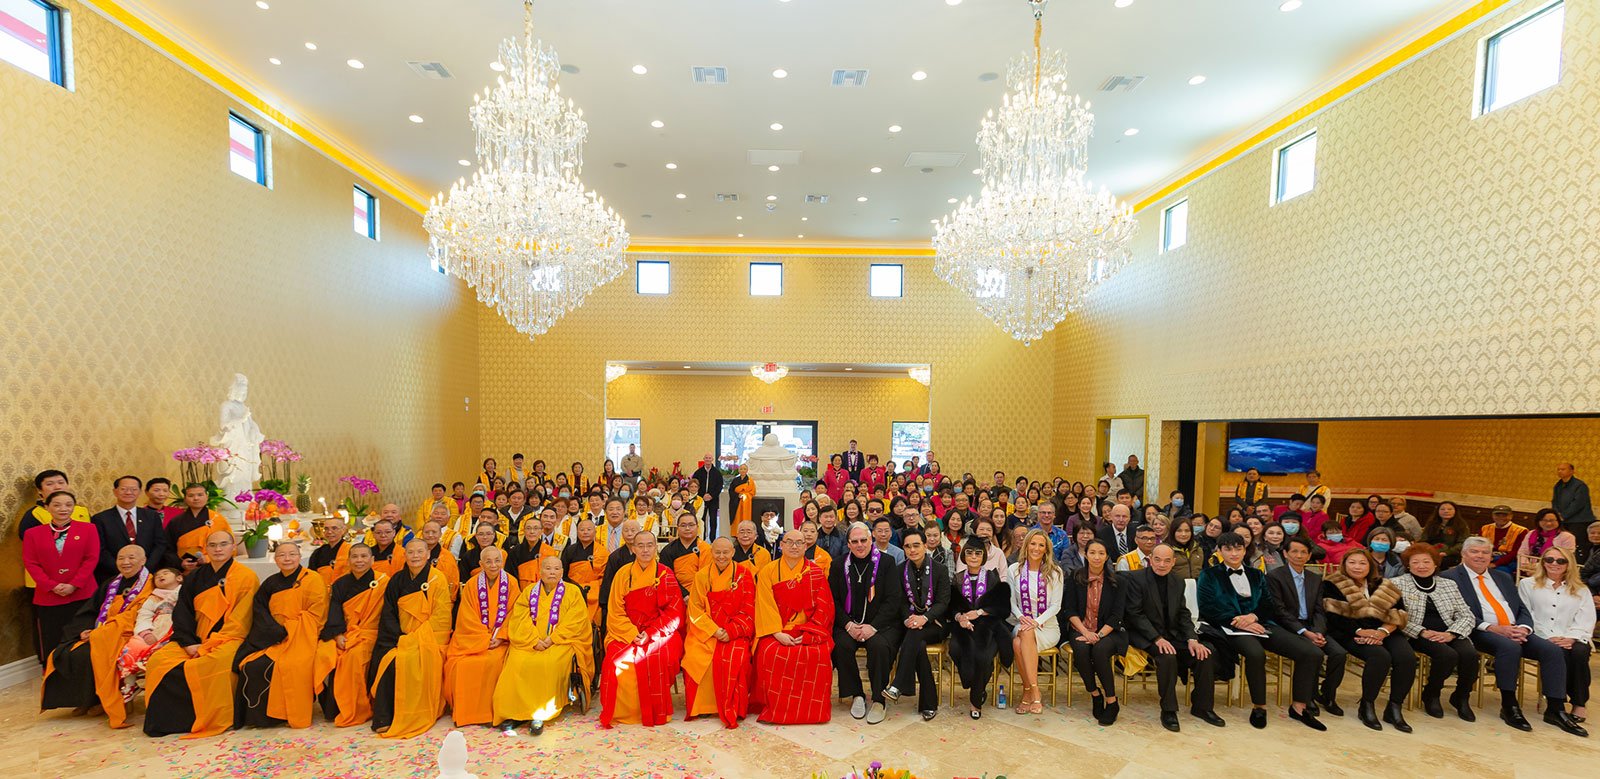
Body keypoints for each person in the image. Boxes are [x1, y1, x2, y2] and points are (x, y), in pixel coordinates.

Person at [1443, 536, 1585, 736]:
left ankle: (1556, 708)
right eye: (1474, 551)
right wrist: (1494, 628)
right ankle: (1509, 705)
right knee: (1509, 648)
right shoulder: (1449, 578)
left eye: (1485, 552)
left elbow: (1521, 608)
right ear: (1463, 554)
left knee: (1552, 650)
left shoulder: (1501, 577)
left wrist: (1524, 628)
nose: (1480, 556)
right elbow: (1452, 613)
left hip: (1515, 629)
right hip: (1479, 630)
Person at [1197, 532, 1326, 730]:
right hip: (1229, 627)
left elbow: (1268, 604)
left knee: (1311, 652)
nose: (1233, 553)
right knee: (1256, 654)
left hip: (1261, 624)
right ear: (1220, 551)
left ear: (1244, 550)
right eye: (1228, 549)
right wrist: (1242, 622)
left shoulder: (1257, 574)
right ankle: (1259, 706)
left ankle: (1300, 706)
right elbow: (1208, 607)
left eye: (1238, 548)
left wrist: (1253, 617)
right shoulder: (1209, 575)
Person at [143, 531, 259, 738]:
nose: (218, 549)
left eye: (223, 544)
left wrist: (211, 644)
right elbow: (182, 612)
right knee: (158, 660)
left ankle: (213, 718)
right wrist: (188, 643)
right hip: (195, 638)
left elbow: (242, 619)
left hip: (229, 638)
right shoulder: (195, 577)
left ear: (233, 547)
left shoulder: (246, 577)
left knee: (213, 663)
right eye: (213, 545)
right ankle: (167, 721)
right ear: (205, 549)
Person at [40, 544, 155, 725]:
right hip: (101, 631)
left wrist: (99, 632)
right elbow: (91, 610)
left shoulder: (152, 584)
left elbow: (136, 616)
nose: (125, 562)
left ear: (143, 561)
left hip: (124, 633)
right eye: (121, 558)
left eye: (131, 558)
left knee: (89, 654)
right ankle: (83, 700)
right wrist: (82, 630)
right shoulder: (110, 583)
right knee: (66, 652)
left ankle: (101, 700)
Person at [1125, 543, 1222, 731]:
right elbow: (1134, 614)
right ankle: (1168, 710)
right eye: (1158, 559)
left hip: (1173, 634)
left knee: (1204, 653)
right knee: (1167, 657)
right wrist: (1157, 638)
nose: (1162, 564)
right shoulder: (1136, 579)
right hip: (1146, 635)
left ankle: (1202, 707)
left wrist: (1192, 639)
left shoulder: (1178, 581)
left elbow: (1183, 614)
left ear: (1173, 562)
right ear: (1150, 560)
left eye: (1167, 560)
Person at [494, 557, 593, 735]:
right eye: (548, 568)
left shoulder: (572, 592)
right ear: (541, 571)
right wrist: (533, 640)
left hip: (561, 642)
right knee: (516, 662)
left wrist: (551, 639)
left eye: (556, 569)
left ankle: (539, 713)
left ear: (562, 572)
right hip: (530, 642)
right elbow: (519, 618)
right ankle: (515, 713)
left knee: (548, 664)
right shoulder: (529, 591)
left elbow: (576, 621)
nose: (552, 572)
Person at [234, 540, 327, 729]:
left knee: (290, 665)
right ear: (275, 559)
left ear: (300, 557)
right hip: (274, 637)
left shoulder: (313, 579)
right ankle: (260, 718)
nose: (287, 559)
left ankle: (285, 714)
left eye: (292, 554)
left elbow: (316, 613)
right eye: (282, 555)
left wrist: (289, 630)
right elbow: (259, 610)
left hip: (301, 636)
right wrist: (276, 632)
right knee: (251, 665)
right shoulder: (271, 582)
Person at [1320, 548, 1413, 732]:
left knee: (1406, 658)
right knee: (1380, 656)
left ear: (1371, 565)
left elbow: (1399, 613)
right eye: (1352, 562)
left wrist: (1382, 631)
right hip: (1350, 632)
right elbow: (1333, 617)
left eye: (1362, 563)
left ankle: (1394, 707)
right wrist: (1362, 631)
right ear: (1344, 564)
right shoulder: (1333, 583)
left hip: (1385, 631)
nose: (1357, 566)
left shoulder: (1384, 584)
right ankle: (1367, 705)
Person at [369, 539, 453, 739]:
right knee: (386, 661)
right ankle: (385, 716)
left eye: (419, 552)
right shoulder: (397, 580)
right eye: (411, 552)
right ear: (404, 556)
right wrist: (401, 637)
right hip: (400, 637)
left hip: (429, 638)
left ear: (428, 555)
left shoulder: (437, 579)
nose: (415, 556)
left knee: (405, 660)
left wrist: (417, 638)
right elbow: (388, 613)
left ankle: (414, 713)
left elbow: (441, 617)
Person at [600, 531, 685, 728]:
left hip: (660, 632)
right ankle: (624, 713)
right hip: (626, 631)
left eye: (650, 545)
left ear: (656, 548)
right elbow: (615, 611)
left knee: (658, 658)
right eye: (641, 546)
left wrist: (650, 633)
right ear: (633, 548)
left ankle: (654, 711)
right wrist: (632, 633)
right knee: (615, 662)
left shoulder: (665, 573)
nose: (645, 550)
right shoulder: (623, 574)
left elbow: (674, 612)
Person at [750, 529, 835, 724]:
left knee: (818, 654)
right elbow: (764, 604)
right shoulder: (768, 571)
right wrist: (777, 633)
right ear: (781, 545)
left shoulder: (815, 573)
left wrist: (808, 633)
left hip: (808, 629)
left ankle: (813, 712)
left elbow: (825, 607)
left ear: (806, 546)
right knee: (769, 653)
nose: (794, 546)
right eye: (789, 542)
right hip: (777, 630)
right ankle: (776, 709)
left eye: (799, 542)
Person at [1389, 543, 1479, 721]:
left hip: (1449, 630)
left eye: (1426, 562)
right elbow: (1394, 616)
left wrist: (1452, 633)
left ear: (1435, 564)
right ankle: (1432, 693)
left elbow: (1467, 615)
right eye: (1415, 562)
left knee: (1469, 655)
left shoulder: (1449, 584)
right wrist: (1422, 631)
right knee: (1446, 655)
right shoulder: (1397, 583)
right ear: (1408, 565)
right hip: (1416, 633)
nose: (1421, 566)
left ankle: (1461, 697)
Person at [830, 521, 903, 725]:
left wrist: (873, 626)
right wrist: (848, 625)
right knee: (841, 645)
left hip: (881, 624)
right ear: (849, 544)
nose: (860, 545)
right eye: (855, 541)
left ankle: (879, 699)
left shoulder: (887, 563)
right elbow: (833, 600)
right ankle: (857, 695)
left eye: (864, 540)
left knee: (879, 646)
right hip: (849, 624)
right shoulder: (838, 564)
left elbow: (893, 599)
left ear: (871, 540)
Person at [1265, 537, 1347, 715]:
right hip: (1286, 626)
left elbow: (1319, 609)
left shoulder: (1315, 578)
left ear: (1309, 555)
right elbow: (1279, 611)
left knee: (1339, 653)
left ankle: (1327, 695)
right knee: (1313, 653)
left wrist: (1317, 631)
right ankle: (1307, 696)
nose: (1299, 555)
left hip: (1312, 626)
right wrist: (1305, 632)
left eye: (1303, 552)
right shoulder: (1274, 576)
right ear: (1285, 554)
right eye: (1294, 551)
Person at [682, 537, 756, 728]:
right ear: (711, 553)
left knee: (737, 659)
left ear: (733, 552)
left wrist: (730, 631)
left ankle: (734, 706)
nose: (721, 556)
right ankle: (703, 706)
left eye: (726, 552)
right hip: (706, 630)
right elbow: (695, 610)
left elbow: (749, 608)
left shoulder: (744, 574)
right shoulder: (701, 576)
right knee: (695, 656)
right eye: (717, 552)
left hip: (735, 631)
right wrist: (714, 631)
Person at [443, 545, 518, 727]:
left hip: (502, 640)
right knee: (463, 665)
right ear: (480, 563)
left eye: (497, 561)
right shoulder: (471, 584)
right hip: (474, 639)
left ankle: (493, 712)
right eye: (488, 561)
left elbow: (515, 613)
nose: (493, 565)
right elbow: (466, 617)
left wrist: (500, 636)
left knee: (495, 662)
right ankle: (469, 713)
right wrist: (484, 639)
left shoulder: (512, 583)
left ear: (503, 562)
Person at [1517, 546, 1593, 725]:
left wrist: (1571, 637)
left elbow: (1586, 617)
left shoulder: (1581, 589)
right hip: (1540, 636)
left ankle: (1579, 703)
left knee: (1580, 652)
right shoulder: (1527, 584)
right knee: (1557, 652)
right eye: (1549, 559)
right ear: (1543, 562)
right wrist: (1548, 637)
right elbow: (1527, 614)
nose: (1554, 564)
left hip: (1572, 636)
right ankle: (1557, 703)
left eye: (1561, 561)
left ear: (1569, 564)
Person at [23, 490, 100, 665]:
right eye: (56, 505)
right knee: (52, 637)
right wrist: (51, 585)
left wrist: (74, 584)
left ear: (74, 507)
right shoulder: (33, 533)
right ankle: (53, 674)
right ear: (46, 507)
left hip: (82, 592)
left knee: (83, 636)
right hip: (48, 595)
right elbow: (31, 563)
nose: (63, 509)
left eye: (68, 505)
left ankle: (85, 672)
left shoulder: (88, 529)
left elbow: (91, 558)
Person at [316, 543, 387, 727]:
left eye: (364, 556)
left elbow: (387, 613)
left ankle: (358, 709)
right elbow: (334, 610)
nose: (359, 561)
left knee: (353, 658)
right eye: (355, 557)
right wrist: (338, 634)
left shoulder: (383, 582)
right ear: (348, 561)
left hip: (372, 634)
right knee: (323, 654)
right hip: (346, 632)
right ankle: (331, 708)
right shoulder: (340, 584)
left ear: (372, 560)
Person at [882, 528, 948, 721]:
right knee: (916, 642)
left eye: (916, 545)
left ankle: (898, 685)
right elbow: (899, 601)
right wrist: (907, 619)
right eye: (908, 546)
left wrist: (924, 618)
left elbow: (943, 602)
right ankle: (929, 704)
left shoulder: (940, 569)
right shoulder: (899, 569)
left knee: (916, 636)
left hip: (934, 623)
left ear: (925, 545)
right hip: (909, 623)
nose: (912, 550)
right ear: (903, 549)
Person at [1064, 538, 1127, 725]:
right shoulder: (1075, 577)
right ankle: (1094, 693)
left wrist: (1097, 635)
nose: (1097, 557)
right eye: (1092, 552)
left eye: (1101, 553)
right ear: (1086, 554)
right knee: (1081, 650)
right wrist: (1085, 631)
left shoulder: (1118, 581)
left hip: (1108, 631)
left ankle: (1112, 701)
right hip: (1080, 627)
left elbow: (1117, 615)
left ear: (1107, 556)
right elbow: (1069, 610)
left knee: (1100, 650)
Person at [947, 540, 1011, 719]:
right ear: (964, 556)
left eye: (978, 553)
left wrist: (981, 612)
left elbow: (1002, 607)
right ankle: (971, 681)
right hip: (963, 627)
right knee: (955, 650)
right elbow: (951, 606)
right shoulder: (957, 578)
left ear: (984, 556)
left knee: (982, 657)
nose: (973, 557)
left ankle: (975, 699)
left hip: (988, 626)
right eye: (969, 553)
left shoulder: (993, 577)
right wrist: (960, 617)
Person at [1009, 528, 1064, 716]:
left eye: (1041, 545)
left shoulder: (1055, 572)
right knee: (1023, 634)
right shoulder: (1014, 570)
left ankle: (1028, 691)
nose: (1036, 548)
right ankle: (1034, 690)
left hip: (1047, 626)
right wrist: (1021, 617)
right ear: (1026, 545)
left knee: (1018, 642)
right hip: (1022, 623)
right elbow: (1012, 603)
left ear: (1046, 549)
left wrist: (1036, 622)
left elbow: (1056, 606)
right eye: (1033, 543)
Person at [91, 475, 170, 581]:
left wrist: (145, 569)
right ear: (115, 491)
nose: (128, 492)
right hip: (113, 575)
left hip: (148, 574)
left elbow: (160, 544)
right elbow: (100, 549)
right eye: (123, 489)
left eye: (133, 489)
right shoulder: (100, 518)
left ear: (140, 492)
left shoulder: (152, 516)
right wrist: (122, 569)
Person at [165, 483, 232, 562]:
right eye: (191, 496)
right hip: (185, 568)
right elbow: (168, 549)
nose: (196, 498)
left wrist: (207, 559)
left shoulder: (217, 519)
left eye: (200, 495)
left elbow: (228, 545)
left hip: (213, 565)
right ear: (185, 499)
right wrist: (181, 564)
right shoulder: (176, 521)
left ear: (206, 497)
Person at [659, 512, 711, 595]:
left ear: (697, 527)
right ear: (677, 528)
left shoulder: (706, 549)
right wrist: (684, 595)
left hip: (701, 594)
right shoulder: (668, 550)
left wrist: (697, 595)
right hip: (675, 595)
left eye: (691, 525)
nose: (687, 528)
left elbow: (708, 576)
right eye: (683, 525)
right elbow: (667, 578)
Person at [1479, 505, 1529, 574]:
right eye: (1497, 515)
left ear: (1511, 516)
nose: (1501, 518)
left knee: (1500, 573)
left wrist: (1495, 564)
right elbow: (1478, 546)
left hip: (1508, 560)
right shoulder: (1485, 528)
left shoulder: (1520, 531)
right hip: (1487, 557)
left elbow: (1515, 552)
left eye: (1504, 515)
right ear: (1493, 515)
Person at [1554, 463, 1595, 535]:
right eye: (1558, 469)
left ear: (1571, 471)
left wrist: (1563, 516)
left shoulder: (1580, 485)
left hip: (1579, 521)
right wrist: (1556, 515)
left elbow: (1577, 504)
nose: (1560, 471)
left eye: (1563, 469)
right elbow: (1555, 501)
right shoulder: (1558, 485)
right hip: (1563, 520)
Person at [692, 454, 726, 541]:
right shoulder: (698, 472)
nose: (708, 459)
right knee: (701, 520)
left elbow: (719, 486)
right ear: (703, 459)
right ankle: (701, 538)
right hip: (701, 499)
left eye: (709, 458)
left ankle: (713, 539)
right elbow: (694, 484)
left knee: (713, 520)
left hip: (713, 500)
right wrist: (702, 495)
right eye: (706, 458)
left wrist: (711, 495)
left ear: (712, 459)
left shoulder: (717, 473)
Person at [309, 517, 351, 586]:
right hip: (322, 590)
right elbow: (311, 575)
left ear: (343, 530)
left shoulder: (350, 551)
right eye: (326, 529)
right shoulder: (318, 552)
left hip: (344, 589)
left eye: (334, 528)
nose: (329, 532)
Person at [727, 463, 755, 532]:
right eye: (741, 469)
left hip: (746, 504)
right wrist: (738, 495)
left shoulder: (750, 481)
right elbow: (731, 490)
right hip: (736, 502)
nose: (743, 470)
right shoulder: (735, 480)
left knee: (745, 519)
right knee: (736, 519)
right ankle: (736, 534)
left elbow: (752, 492)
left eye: (744, 469)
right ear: (738, 470)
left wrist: (745, 495)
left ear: (747, 470)